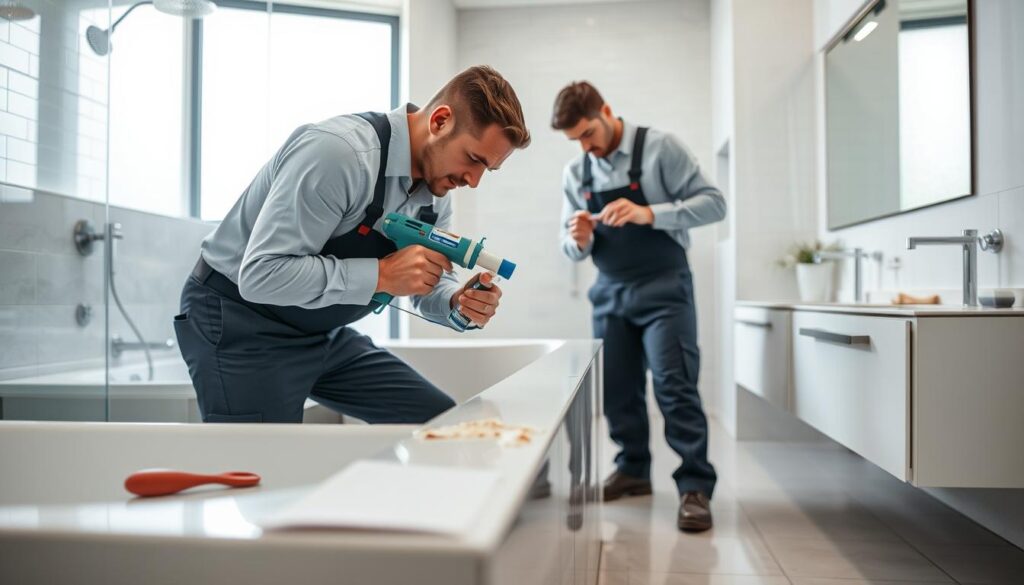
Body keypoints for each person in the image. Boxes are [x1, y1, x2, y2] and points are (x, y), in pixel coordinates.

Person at [174, 66, 530, 424]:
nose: (473, 181)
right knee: (264, 466)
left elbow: (429, 281)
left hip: (318, 332)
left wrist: (457, 301)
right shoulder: (338, 155)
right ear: (439, 121)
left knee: (437, 424)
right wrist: (381, 274)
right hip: (239, 322)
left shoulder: (437, 193)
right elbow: (260, 274)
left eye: (488, 170)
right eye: (473, 159)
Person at [552, 81, 725, 532]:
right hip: (609, 291)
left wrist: (651, 213)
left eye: (589, 133)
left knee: (673, 383)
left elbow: (714, 204)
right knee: (618, 389)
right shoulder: (577, 173)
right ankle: (633, 470)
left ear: (607, 111)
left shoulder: (660, 149)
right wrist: (577, 241)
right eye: (576, 141)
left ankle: (695, 486)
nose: (586, 148)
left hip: (664, 286)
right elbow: (569, 246)